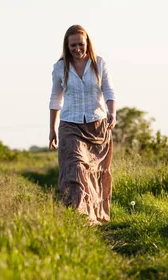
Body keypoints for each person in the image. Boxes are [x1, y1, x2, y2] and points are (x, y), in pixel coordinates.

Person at [49, 24, 116, 225]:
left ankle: (93, 213)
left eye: (80, 44)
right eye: (72, 46)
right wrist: (52, 128)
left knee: (93, 173)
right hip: (70, 125)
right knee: (76, 167)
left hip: (96, 126)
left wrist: (112, 112)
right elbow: (55, 99)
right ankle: (79, 216)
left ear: (87, 44)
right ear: (66, 46)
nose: (77, 49)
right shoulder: (60, 68)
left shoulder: (99, 64)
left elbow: (109, 91)